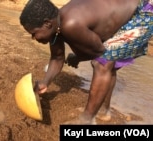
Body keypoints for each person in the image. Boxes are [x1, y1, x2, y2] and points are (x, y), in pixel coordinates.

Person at [19, 0, 153, 124]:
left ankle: (87, 120)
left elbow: (98, 51)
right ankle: (104, 111)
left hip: (141, 14)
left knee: (101, 63)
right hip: (127, 12)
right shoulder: (57, 26)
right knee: (107, 62)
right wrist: (45, 82)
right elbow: (57, 58)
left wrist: (76, 57)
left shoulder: (71, 24)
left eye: (34, 33)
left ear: (47, 23)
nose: (33, 38)